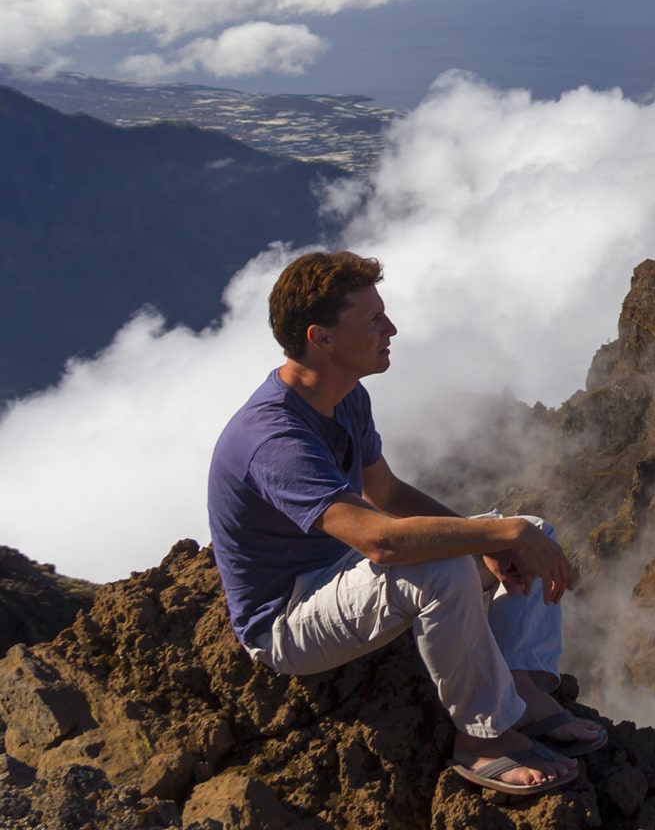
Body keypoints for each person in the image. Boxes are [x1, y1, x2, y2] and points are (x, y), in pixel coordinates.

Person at [207, 250, 604, 795]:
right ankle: (483, 737)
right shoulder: (274, 438)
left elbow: (387, 493)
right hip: (287, 620)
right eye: (372, 320)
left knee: (531, 527)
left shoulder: (345, 397)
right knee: (447, 567)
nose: (390, 328)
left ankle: (521, 685)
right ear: (320, 338)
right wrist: (496, 537)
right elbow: (380, 541)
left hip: (340, 570)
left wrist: (499, 539)